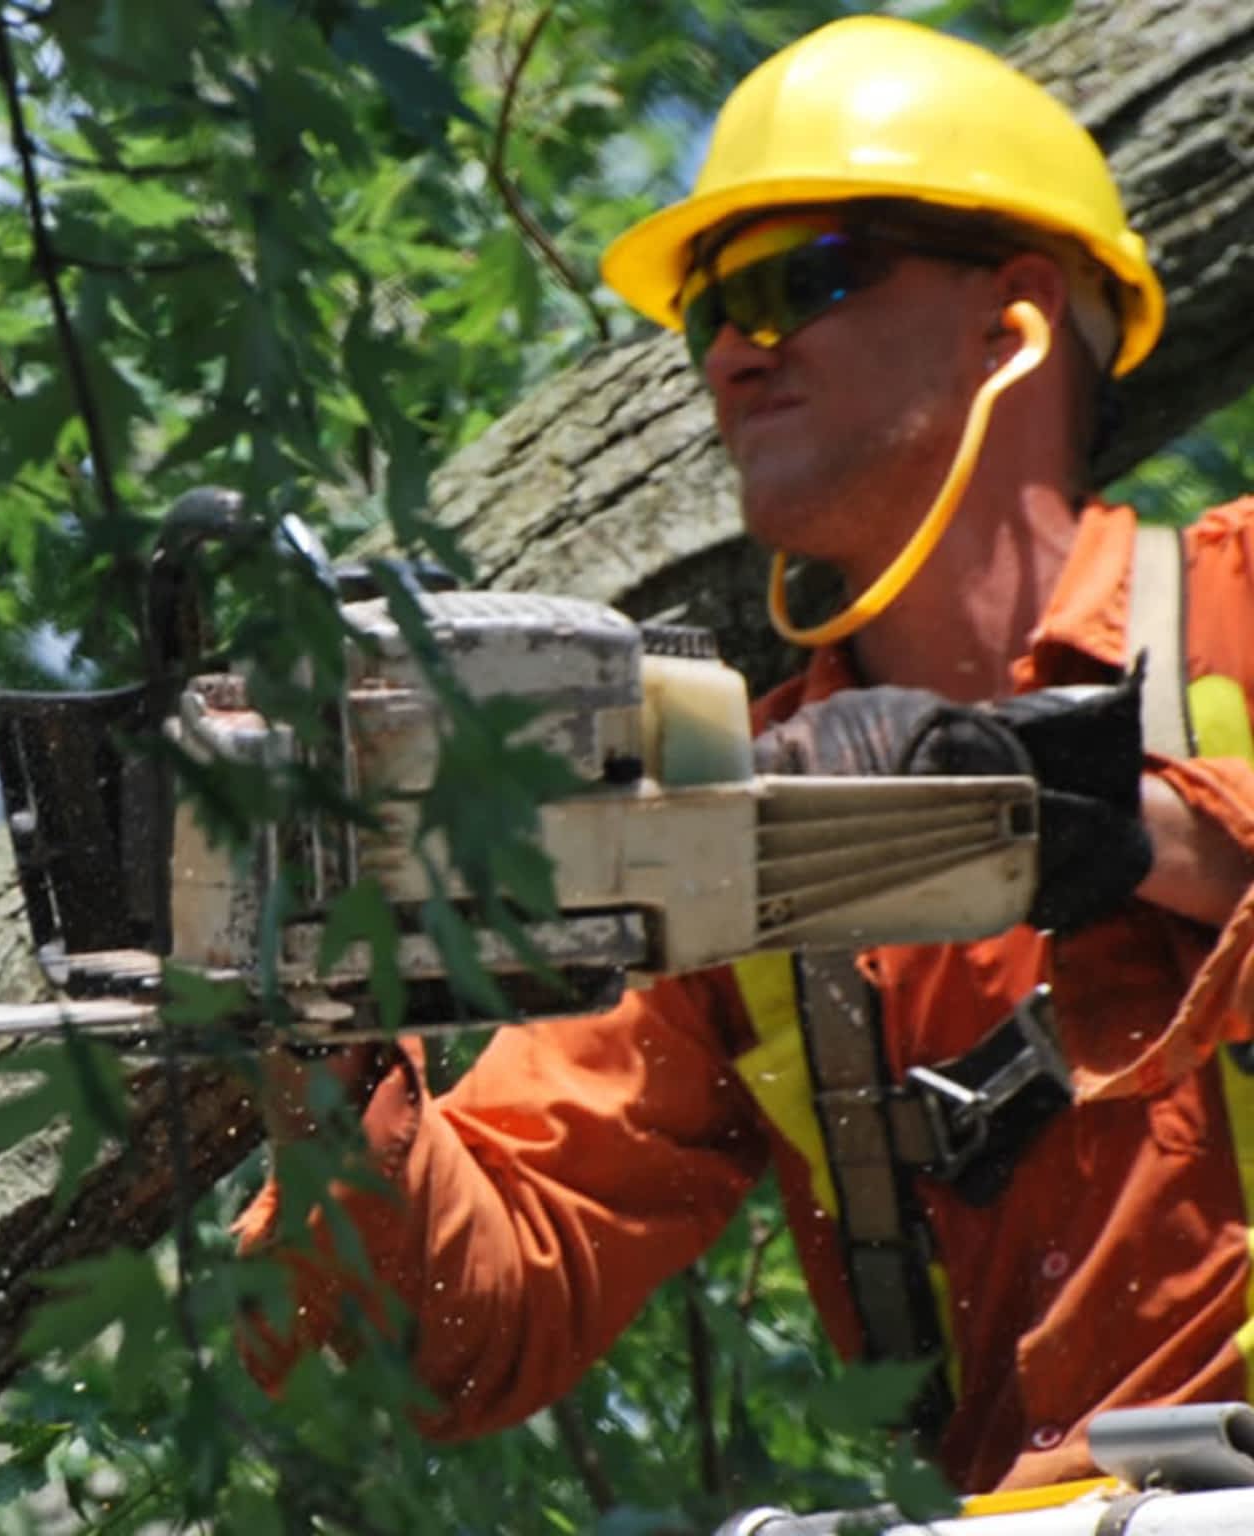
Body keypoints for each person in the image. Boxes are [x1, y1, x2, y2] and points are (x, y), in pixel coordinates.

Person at [232, 15, 1254, 1497]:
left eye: (802, 280)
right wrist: (326, 1040)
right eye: (710, 307)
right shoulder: (735, 836)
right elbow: (470, 1322)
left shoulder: (1236, 607)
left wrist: (1103, 821)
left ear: (1011, 317)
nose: (730, 349)